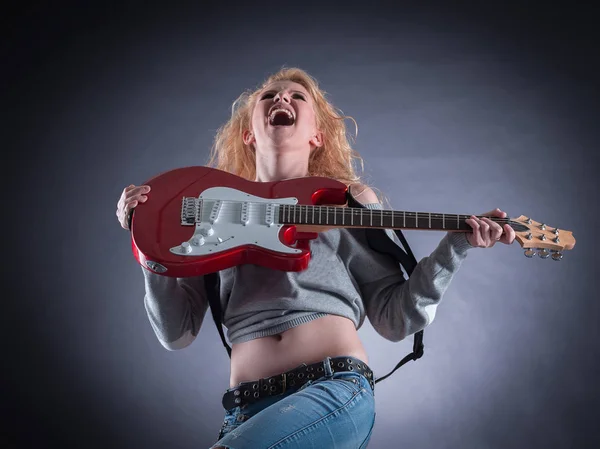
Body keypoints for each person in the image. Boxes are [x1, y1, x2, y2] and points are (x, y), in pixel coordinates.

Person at [115, 67, 515, 449]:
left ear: (318, 136)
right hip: (245, 409)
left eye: (296, 97)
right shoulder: (212, 212)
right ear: (248, 134)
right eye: (268, 96)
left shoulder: (347, 203)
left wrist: (455, 247)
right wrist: (147, 240)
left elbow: (396, 320)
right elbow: (176, 333)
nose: (281, 99)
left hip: (331, 388)